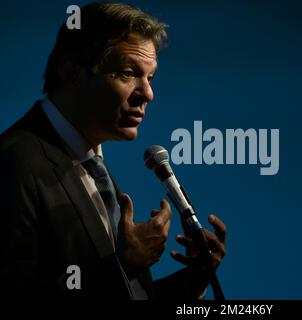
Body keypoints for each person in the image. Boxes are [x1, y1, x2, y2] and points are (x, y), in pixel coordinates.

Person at [0, 2, 226, 299]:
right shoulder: (14, 161)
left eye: (150, 77)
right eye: (128, 72)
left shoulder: (90, 161)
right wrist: (125, 265)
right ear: (73, 72)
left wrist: (191, 283)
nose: (148, 93)